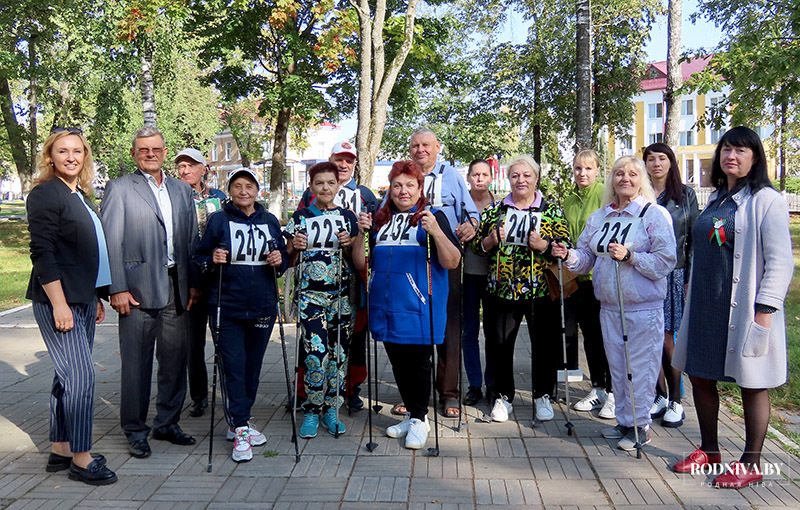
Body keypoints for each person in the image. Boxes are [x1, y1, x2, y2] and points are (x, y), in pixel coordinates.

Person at [671, 127, 793, 488]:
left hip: (745, 309)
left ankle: (751, 462)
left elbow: (781, 262)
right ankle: (709, 451)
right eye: (727, 149)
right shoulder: (718, 199)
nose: (731, 156)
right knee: (700, 374)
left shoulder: (767, 200)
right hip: (708, 306)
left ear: (755, 158)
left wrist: (765, 310)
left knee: (752, 382)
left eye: (741, 150)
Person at [551, 156, 676, 451]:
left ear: (641, 179)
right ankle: (624, 421)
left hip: (642, 306)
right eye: (619, 174)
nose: (625, 179)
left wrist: (632, 257)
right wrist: (567, 255)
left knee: (641, 368)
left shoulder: (652, 215)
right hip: (609, 305)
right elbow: (585, 258)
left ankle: (640, 425)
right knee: (618, 367)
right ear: (612, 180)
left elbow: (666, 260)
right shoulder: (601, 217)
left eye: (632, 174)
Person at [101, 126, 200, 458]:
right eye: (143, 150)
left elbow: (190, 242)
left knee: (174, 360)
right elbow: (110, 241)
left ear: (164, 151)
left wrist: (194, 283)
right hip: (136, 291)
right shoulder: (119, 188)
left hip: (177, 287)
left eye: (155, 149)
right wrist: (116, 288)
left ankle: (167, 423)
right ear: (134, 153)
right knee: (136, 365)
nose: (150, 154)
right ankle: (135, 429)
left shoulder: (182, 191)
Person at [26, 128, 117, 485]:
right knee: (82, 376)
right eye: (62, 151)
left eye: (77, 151)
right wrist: (60, 304)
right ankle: (82, 458)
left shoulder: (78, 194)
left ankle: (61, 448)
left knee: (68, 376)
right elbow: (43, 253)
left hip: (81, 298)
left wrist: (93, 295)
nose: (71, 157)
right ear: (50, 157)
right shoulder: (46, 193)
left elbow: (81, 252)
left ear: (85, 156)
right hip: (58, 301)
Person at [352, 160, 462, 449]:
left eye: (410, 185)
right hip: (385, 306)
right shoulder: (380, 219)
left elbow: (452, 261)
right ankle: (413, 415)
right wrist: (362, 233)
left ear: (420, 188)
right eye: (397, 185)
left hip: (419, 307)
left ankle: (420, 418)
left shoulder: (433, 216)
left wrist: (437, 232)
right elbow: (362, 262)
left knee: (418, 364)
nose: (403, 191)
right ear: (390, 188)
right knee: (398, 361)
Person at [194, 168, 287, 462]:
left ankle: (240, 419)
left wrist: (278, 260)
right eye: (237, 186)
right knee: (233, 365)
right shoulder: (219, 220)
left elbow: (282, 261)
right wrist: (212, 259)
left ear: (257, 190)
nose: (243, 191)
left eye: (249, 186)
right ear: (230, 190)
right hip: (227, 305)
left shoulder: (270, 220)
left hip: (261, 305)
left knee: (252, 368)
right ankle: (242, 426)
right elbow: (199, 256)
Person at [473, 155, 570, 423]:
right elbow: (476, 247)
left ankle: (543, 396)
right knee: (500, 345)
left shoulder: (550, 210)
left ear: (536, 178)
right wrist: (491, 240)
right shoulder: (495, 210)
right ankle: (502, 397)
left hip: (540, 291)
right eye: (515, 175)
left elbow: (565, 247)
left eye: (527, 175)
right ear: (508, 179)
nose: (521, 180)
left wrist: (546, 246)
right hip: (502, 291)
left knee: (545, 346)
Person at [390, 128, 478, 419]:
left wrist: (472, 226)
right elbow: (386, 210)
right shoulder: (404, 176)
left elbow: (472, 213)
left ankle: (449, 393)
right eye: (415, 145)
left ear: (437, 147)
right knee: (415, 327)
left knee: (449, 327)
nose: (420, 150)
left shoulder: (451, 175)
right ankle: (415, 395)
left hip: (445, 258)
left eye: (426, 145)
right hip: (412, 262)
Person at [298, 142, 379, 412]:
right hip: (315, 284)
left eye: (349, 161)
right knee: (314, 340)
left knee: (352, 336)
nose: (344, 165)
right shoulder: (311, 196)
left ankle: (350, 388)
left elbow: (374, 233)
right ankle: (308, 391)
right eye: (339, 160)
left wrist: (358, 241)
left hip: (352, 275)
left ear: (355, 164)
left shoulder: (365, 194)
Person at [284, 161, 359, 438]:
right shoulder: (301, 216)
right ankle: (312, 409)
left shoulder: (348, 217)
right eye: (319, 183)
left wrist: (350, 244)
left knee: (339, 355)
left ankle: (332, 408)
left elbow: (358, 260)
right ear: (311, 186)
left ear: (338, 185)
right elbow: (287, 260)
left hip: (341, 295)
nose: (326, 188)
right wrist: (294, 246)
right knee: (316, 355)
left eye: (331, 182)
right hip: (311, 296)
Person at [643, 143, 699, 428]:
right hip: (642, 272)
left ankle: (676, 399)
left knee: (667, 339)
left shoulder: (685, 196)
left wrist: (690, 277)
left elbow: (693, 240)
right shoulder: (639, 195)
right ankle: (659, 395)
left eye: (662, 158)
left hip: (673, 273)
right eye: (651, 159)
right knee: (648, 338)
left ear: (671, 163)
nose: (656, 164)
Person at [563, 150, 615, 420]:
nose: (582, 174)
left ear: (597, 170)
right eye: (577, 169)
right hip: (577, 277)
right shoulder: (570, 199)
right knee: (590, 337)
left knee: (608, 338)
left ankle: (616, 393)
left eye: (587, 169)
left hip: (601, 278)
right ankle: (598, 388)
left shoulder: (605, 195)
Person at [176, 147, 227, 418]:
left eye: (191, 165)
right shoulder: (174, 196)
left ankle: (230, 394)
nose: (185, 170)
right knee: (192, 344)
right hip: (188, 279)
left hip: (217, 279)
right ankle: (198, 397)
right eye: (181, 166)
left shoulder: (219, 198)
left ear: (203, 169)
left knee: (224, 340)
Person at [462, 159, 495, 406]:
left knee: (494, 332)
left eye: (484, 174)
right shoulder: (462, 204)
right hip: (468, 274)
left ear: (491, 177)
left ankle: (493, 383)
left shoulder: (501, 204)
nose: (480, 178)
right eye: (476, 174)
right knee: (469, 331)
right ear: (469, 178)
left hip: (495, 275)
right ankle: (474, 384)